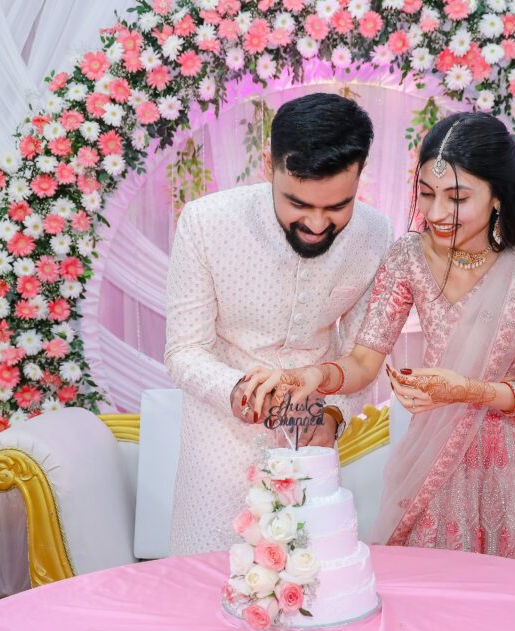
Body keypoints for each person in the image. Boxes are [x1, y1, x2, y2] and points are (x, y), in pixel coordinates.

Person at [243, 112, 515, 586]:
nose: (437, 213)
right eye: (426, 194)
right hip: (443, 460)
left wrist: (471, 390)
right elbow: (363, 361)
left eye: (457, 197)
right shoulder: (408, 257)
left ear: (498, 194)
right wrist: (312, 377)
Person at [164, 93, 392, 555]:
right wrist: (241, 392)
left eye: (336, 208)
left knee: (312, 586)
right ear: (269, 165)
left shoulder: (375, 234)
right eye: (298, 203)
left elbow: (361, 354)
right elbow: (183, 351)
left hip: (313, 446)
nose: (315, 223)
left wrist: (331, 417)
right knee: (215, 581)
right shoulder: (206, 223)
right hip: (221, 442)